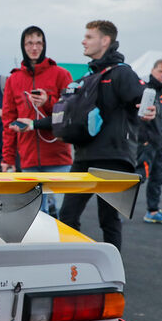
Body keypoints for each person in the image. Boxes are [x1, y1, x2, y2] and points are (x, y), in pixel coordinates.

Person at [54, 20, 150, 250]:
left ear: (105, 41)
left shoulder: (122, 74)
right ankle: (72, 265)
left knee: (108, 220)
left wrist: (149, 110)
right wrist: (34, 124)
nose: (83, 41)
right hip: (84, 157)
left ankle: (114, 272)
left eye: (89, 36)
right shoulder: (89, 77)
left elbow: (143, 100)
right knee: (67, 216)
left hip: (112, 159)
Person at [0, 25, 73, 216]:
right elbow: (8, 121)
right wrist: (8, 158)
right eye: (29, 43)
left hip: (58, 157)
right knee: (36, 216)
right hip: (29, 158)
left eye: (38, 43)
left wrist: (48, 102)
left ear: (44, 45)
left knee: (63, 214)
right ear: (23, 46)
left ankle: (63, 246)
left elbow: (70, 112)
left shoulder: (61, 74)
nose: (34, 48)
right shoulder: (13, 79)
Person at [136, 59, 162, 224]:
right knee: (138, 176)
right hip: (147, 142)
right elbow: (139, 117)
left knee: (158, 176)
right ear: (152, 70)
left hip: (161, 143)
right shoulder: (146, 89)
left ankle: (152, 211)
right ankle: (115, 210)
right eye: (160, 71)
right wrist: (144, 139)